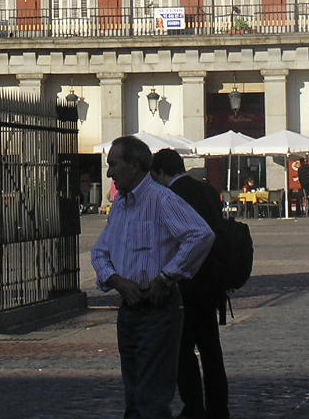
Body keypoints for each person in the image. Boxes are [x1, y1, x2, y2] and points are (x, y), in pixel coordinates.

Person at [91, 136, 215, 419]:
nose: (109, 173)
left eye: (113, 164)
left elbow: (200, 235)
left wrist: (167, 276)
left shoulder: (161, 199)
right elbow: (99, 252)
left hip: (157, 308)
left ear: (135, 165)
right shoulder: (121, 205)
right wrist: (116, 280)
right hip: (129, 308)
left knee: (152, 398)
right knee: (134, 396)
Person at [150, 148, 230, 419]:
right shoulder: (207, 190)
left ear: (160, 172)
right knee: (211, 350)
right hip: (212, 280)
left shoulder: (170, 196)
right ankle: (219, 407)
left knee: (183, 349)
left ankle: (193, 405)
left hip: (185, 281)